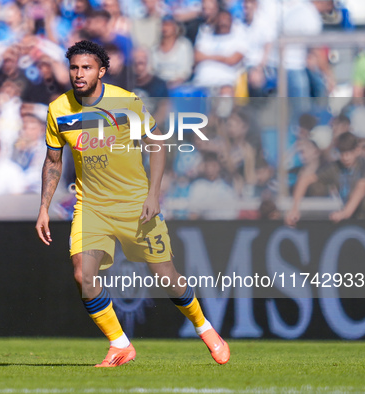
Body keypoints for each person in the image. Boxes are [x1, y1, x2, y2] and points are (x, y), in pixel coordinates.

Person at [35, 40, 229, 367]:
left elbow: (156, 144)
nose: (79, 74)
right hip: (91, 207)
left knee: (166, 275)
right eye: (74, 68)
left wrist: (153, 194)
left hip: (135, 205)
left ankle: (204, 326)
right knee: (83, 274)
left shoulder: (126, 102)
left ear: (102, 71)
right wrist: (43, 206)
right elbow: (53, 161)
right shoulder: (58, 109)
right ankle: (120, 344)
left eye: (86, 68)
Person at [286, 132, 365, 225]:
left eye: (349, 152)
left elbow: (361, 188)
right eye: (342, 153)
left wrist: (345, 213)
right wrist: (294, 209)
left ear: (356, 150)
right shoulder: (334, 168)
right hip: (361, 221)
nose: (346, 157)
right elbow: (304, 180)